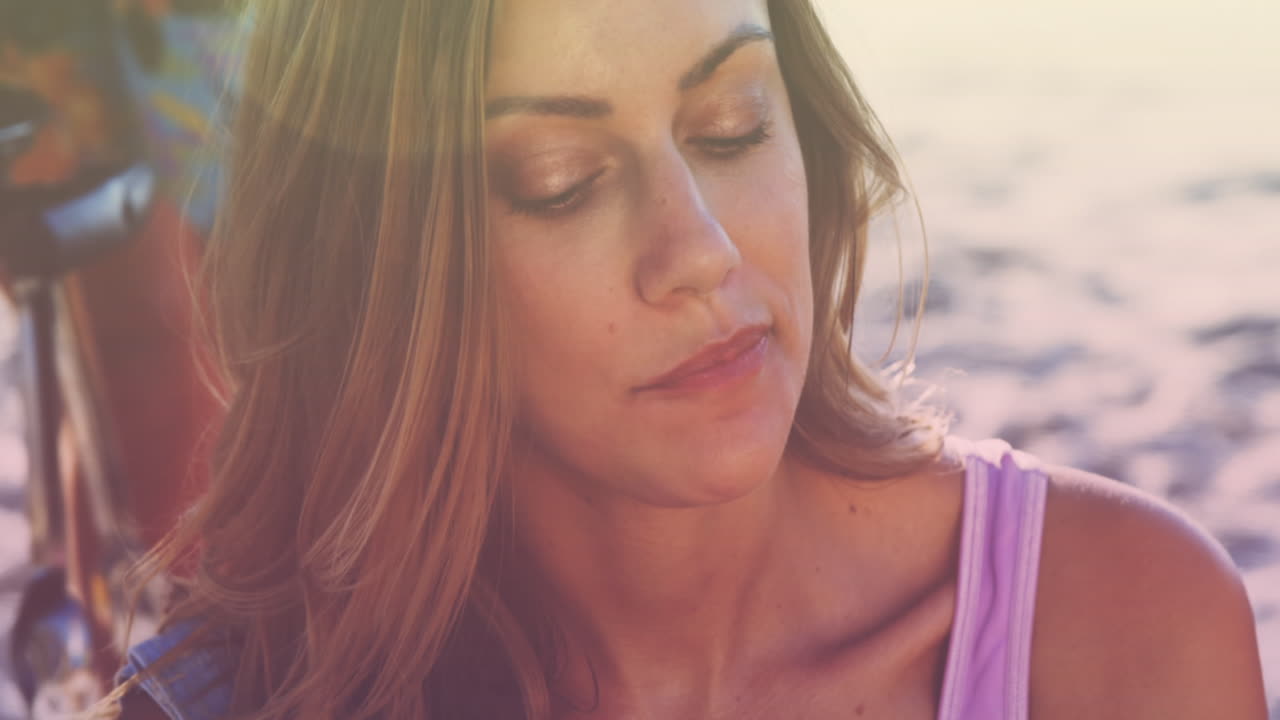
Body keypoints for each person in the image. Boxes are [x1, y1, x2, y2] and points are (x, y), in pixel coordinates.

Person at [98, 0, 1267, 718]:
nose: (696, 253)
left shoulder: (1120, 629)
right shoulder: (233, 705)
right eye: (560, 181)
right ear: (389, 267)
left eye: (733, 125)